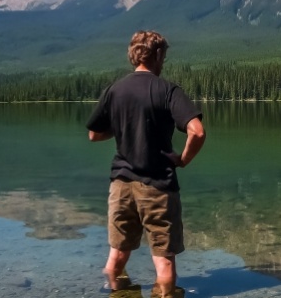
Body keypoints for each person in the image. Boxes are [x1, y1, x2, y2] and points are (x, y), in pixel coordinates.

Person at [86, 30, 206, 297]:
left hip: (121, 186)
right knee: (163, 259)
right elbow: (197, 131)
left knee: (117, 254)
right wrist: (183, 160)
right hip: (158, 187)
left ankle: (113, 291)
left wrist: (124, 128)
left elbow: (94, 135)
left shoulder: (114, 89)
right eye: (164, 55)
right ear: (159, 55)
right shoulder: (167, 90)